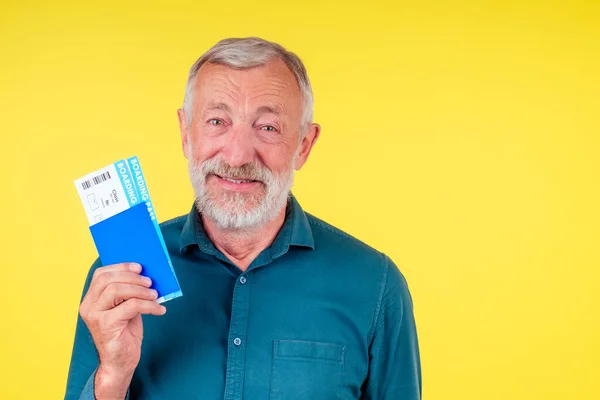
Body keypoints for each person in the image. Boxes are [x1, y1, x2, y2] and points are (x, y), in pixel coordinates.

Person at [64, 37, 421, 400]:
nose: (237, 156)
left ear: (303, 145)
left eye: (268, 127)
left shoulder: (375, 285)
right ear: (186, 135)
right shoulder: (121, 278)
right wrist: (112, 376)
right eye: (218, 121)